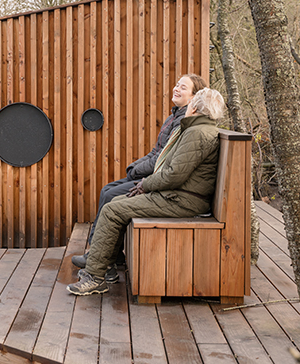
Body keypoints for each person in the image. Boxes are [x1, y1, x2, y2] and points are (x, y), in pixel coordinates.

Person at [67, 88, 226, 296]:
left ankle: (95, 277)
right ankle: (105, 268)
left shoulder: (197, 133)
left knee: (112, 211)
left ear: (194, 108)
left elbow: (174, 174)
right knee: (114, 203)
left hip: (181, 199)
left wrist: (146, 184)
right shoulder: (200, 130)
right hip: (180, 195)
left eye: (191, 103)